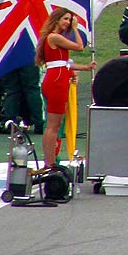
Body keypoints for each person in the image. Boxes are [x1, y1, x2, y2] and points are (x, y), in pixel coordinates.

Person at [36, 9, 90, 169]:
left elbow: (63, 63)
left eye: (70, 20)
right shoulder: (54, 37)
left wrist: (85, 67)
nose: (68, 22)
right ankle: (50, 162)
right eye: (65, 19)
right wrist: (75, 28)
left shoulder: (53, 38)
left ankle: (50, 161)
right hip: (57, 81)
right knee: (54, 125)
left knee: (53, 125)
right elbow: (80, 47)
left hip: (56, 78)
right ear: (57, 19)